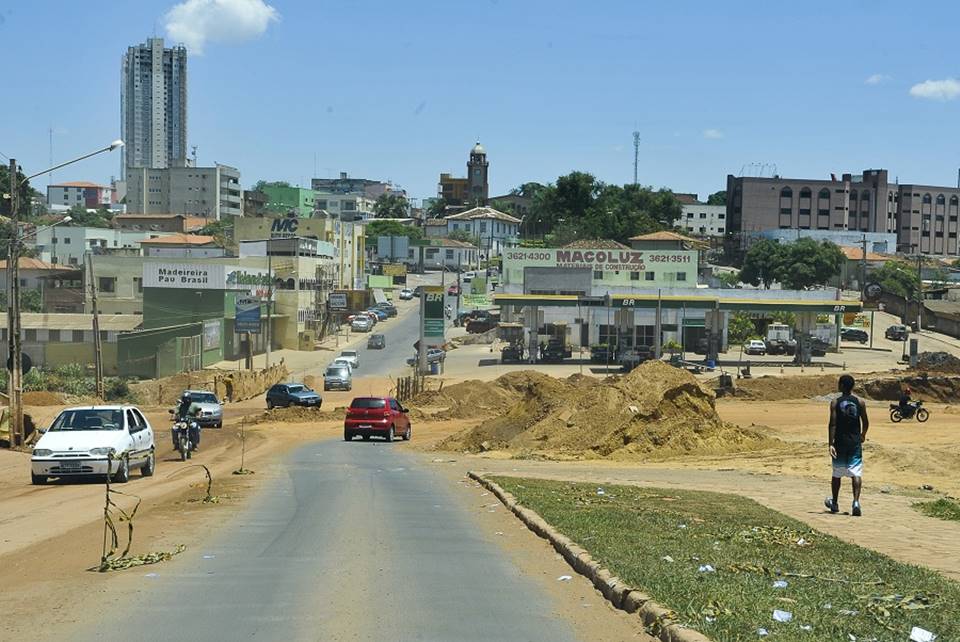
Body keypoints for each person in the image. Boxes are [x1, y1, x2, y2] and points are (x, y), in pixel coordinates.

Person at [825, 374, 869, 516]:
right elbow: (866, 422)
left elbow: (832, 424)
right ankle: (856, 502)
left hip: (840, 442)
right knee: (855, 473)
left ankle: (835, 503)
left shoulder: (835, 402)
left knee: (837, 473)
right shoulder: (860, 402)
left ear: (842, 386)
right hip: (854, 442)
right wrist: (863, 435)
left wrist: (830, 443)